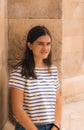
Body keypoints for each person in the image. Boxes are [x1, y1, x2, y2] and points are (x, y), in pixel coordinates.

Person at [8, 25, 62, 130]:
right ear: (30, 45)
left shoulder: (53, 70)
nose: (45, 48)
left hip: (52, 126)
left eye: (48, 44)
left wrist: (56, 126)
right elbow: (17, 109)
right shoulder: (19, 72)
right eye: (40, 44)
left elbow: (58, 102)